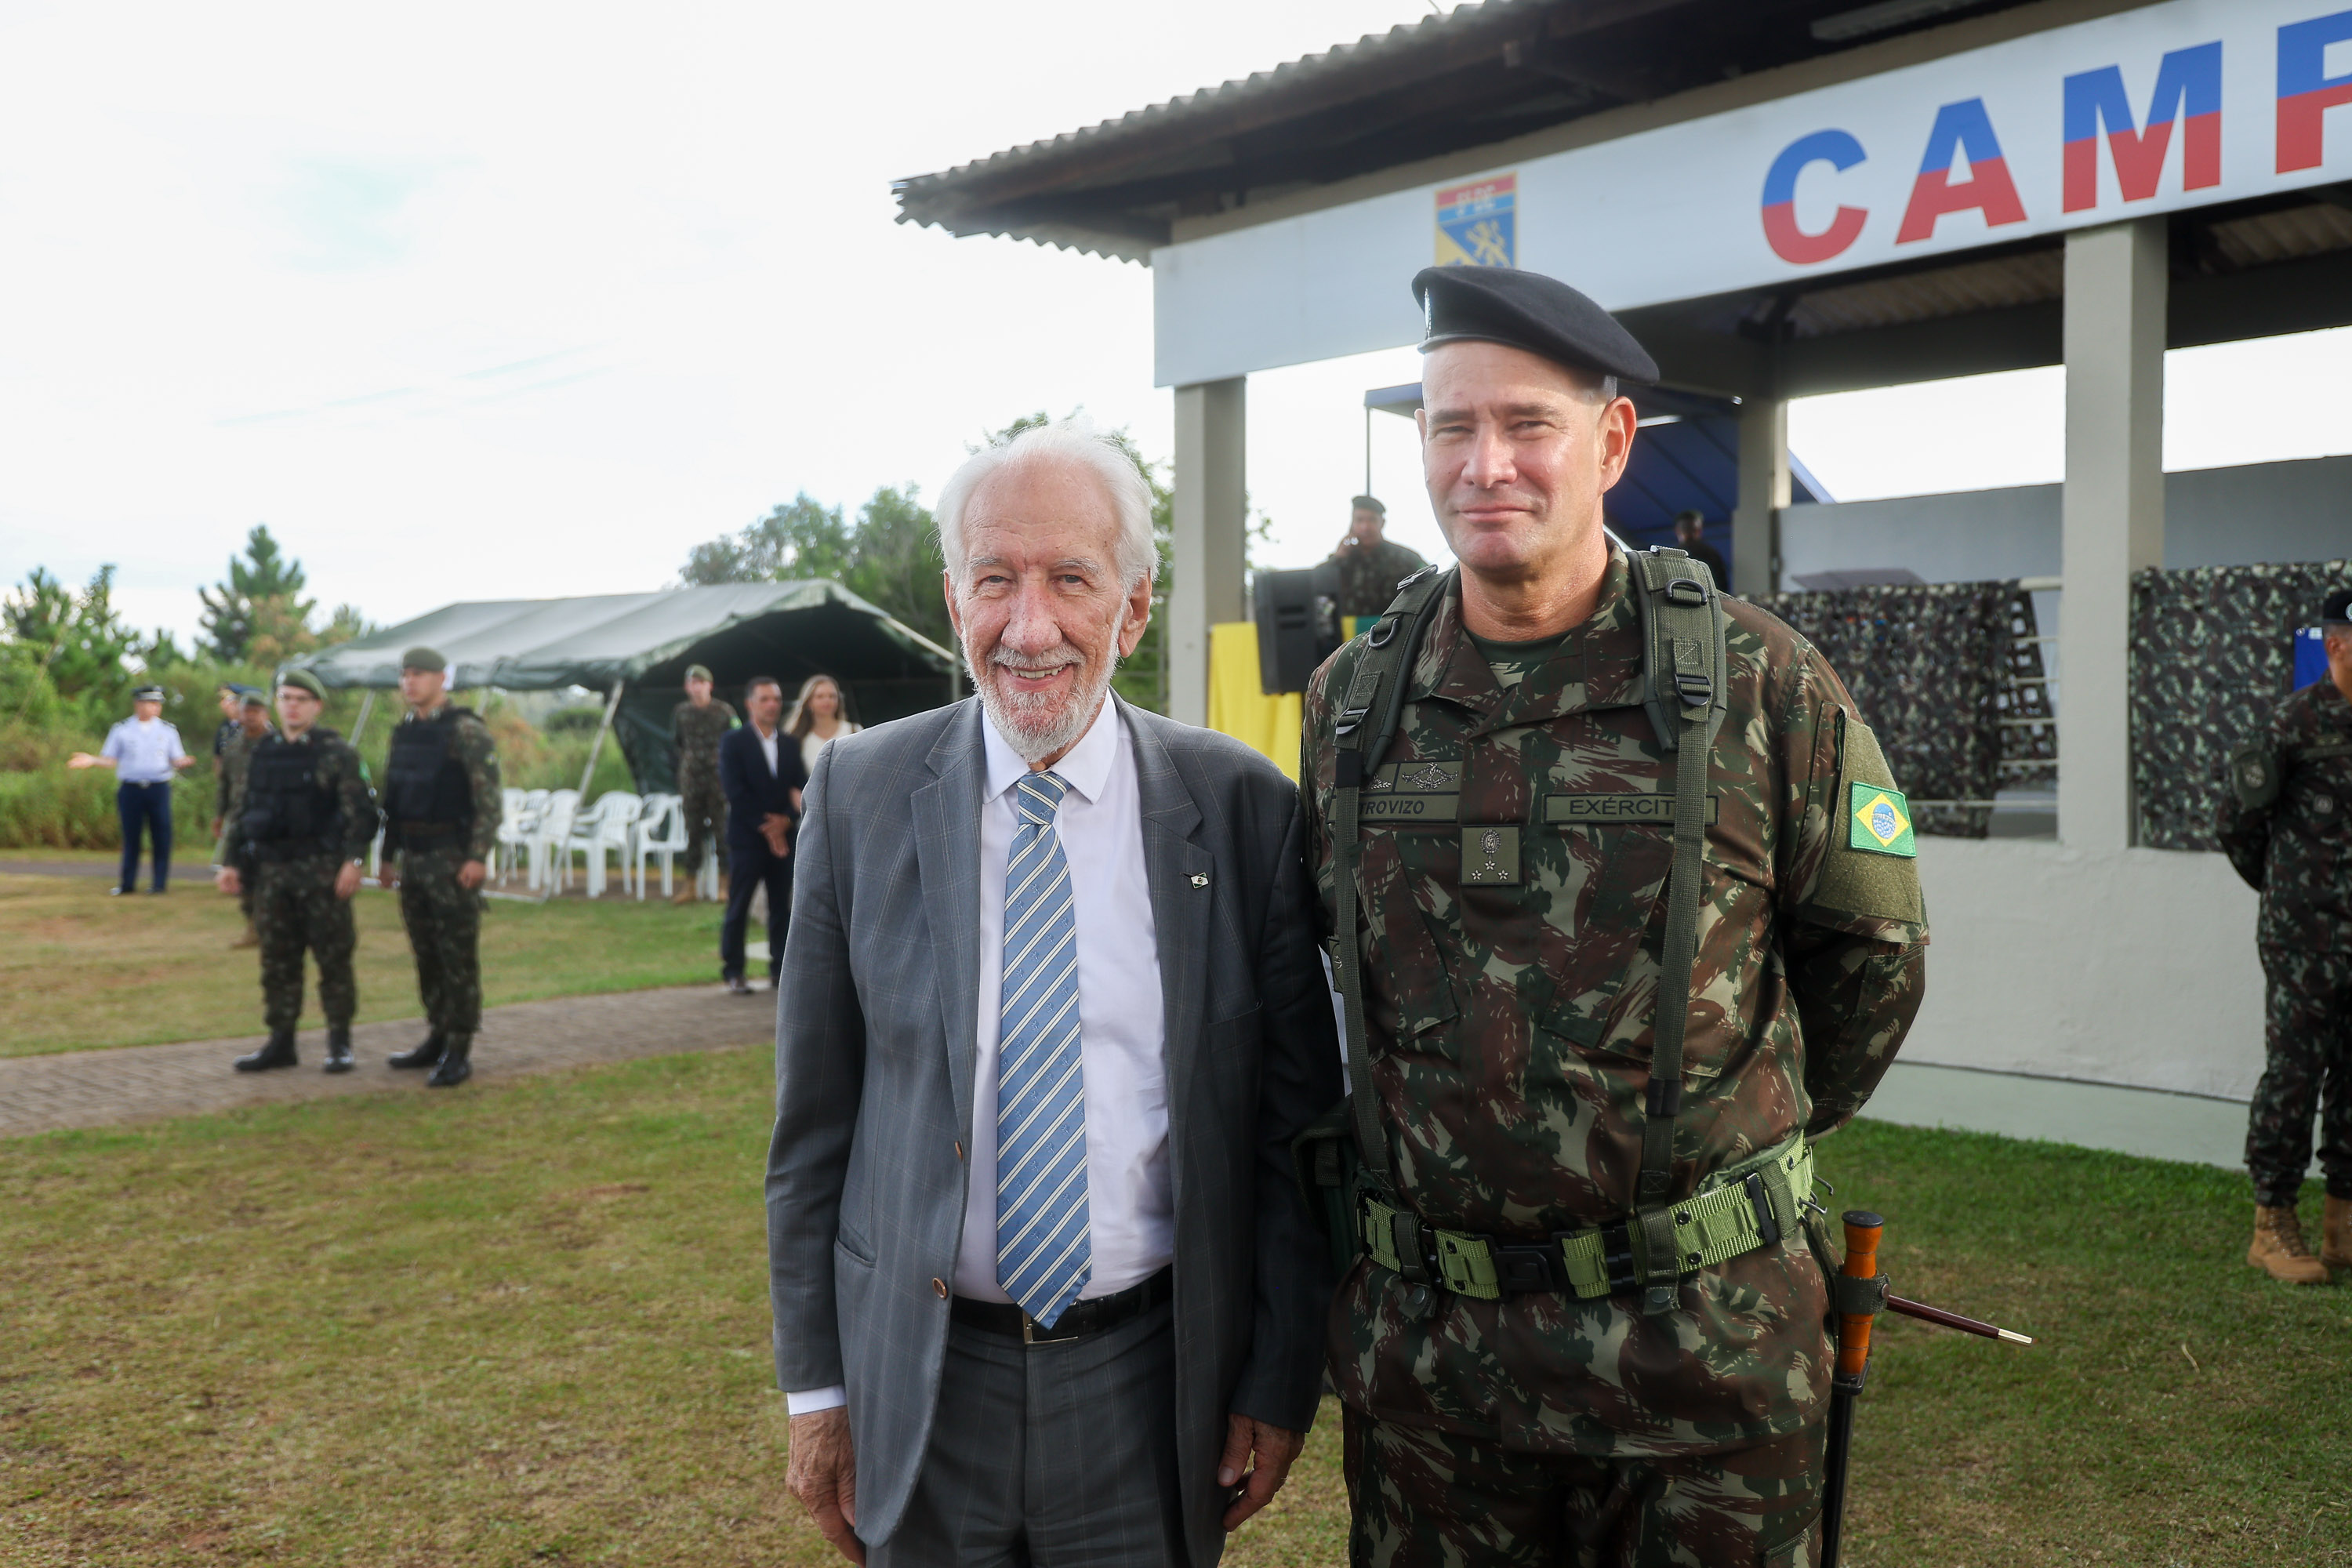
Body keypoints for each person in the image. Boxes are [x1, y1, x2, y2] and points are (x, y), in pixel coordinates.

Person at [1298, 266, 1929, 1565]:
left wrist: (1700, 1152)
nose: (1488, 466)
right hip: (1436, 1390)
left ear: (1611, 440)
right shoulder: (1352, 705)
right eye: (1451, 428)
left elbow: (1873, 963)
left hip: (1702, 1375)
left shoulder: (1760, 685)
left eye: (1527, 424)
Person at [768, 417, 1340, 1567]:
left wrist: (1278, 1381)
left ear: (1133, 606)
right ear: (952, 599)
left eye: (1070, 579)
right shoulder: (859, 799)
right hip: (921, 1390)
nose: (1029, 628)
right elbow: (812, 1130)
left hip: (1151, 1387)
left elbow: (1292, 1137)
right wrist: (818, 1392)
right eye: (996, 580)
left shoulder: (1243, 811)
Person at [2217, 588, 2352, 1285]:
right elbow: (2237, 827)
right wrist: (2290, 901)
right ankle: (2272, 1226)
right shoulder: (2293, 725)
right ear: (2336, 644)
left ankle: (2341, 1227)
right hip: (2305, 942)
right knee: (2295, 1079)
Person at [216, 670, 379, 1074]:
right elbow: (244, 811)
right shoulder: (261, 752)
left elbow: (364, 814)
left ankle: (339, 1043)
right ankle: (281, 1041)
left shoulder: (337, 753)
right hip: (272, 872)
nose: (292, 705)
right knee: (277, 960)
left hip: (322, 871)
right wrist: (232, 862)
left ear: (316, 706)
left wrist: (353, 862)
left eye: (301, 699)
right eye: (286, 697)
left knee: (333, 959)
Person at [377, 647, 503, 1089]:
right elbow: (395, 797)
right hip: (414, 858)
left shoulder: (466, 731)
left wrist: (476, 857)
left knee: (457, 956)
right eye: (405, 675)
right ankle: (436, 1033)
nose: (410, 682)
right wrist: (388, 854)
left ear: (442, 679)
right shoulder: (405, 733)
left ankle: (460, 1047)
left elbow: (489, 801)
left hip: (451, 858)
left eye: (420, 674)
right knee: (426, 953)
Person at [717, 676, 804, 995]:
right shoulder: (733, 742)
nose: (772, 705)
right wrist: (768, 827)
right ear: (750, 704)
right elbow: (734, 791)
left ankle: (780, 969)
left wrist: (787, 821)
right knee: (739, 904)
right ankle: (734, 970)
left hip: (783, 838)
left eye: (777, 699)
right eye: (765, 699)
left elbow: (801, 787)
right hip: (747, 838)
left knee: (781, 905)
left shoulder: (790, 744)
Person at [69, 684, 197, 895]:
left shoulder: (167, 730)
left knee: (161, 835)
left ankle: (159, 884)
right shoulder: (122, 729)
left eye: (158, 704)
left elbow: (176, 758)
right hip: (131, 789)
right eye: (150, 703)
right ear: (138, 704)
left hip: (158, 787)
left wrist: (183, 762)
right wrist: (91, 760)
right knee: (131, 837)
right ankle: (127, 884)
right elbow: (110, 760)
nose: (155, 708)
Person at [212, 690, 276, 949]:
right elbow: (224, 785)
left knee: (272, 877)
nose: (250, 717)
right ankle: (253, 929)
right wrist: (220, 814)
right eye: (246, 711)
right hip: (240, 820)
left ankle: (276, 930)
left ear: (266, 714)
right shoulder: (233, 746)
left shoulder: (279, 745)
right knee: (244, 876)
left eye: (256, 712)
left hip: (272, 821)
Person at [671, 664, 738, 906]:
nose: (696, 687)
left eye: (700, 683)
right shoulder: (681, 712)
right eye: (692, 683)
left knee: (722, 833)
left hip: (718, 780)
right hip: (691, 780)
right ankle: (690, 886)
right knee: (693, 833)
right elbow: (677, 743)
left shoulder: (724, 711)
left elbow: (737, 740)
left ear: (709, 685)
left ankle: (724, 885)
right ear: (686, 687)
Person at [1327, 494, 1429, 621]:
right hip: (1349, 637)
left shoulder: (1405, 558)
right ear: (1352, 525)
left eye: (1372, 520)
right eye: (1359, 520)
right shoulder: (1342, 561)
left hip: (1393, 633)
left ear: (1382, 523)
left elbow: (1431, 587)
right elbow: (1317, 588)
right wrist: (1338, 558)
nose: (1365, 527)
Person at [786, 673, 862, 777]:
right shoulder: (798, 738)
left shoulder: (854, 731)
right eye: (820, 696)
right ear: (809, 702)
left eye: (832, 696)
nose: (827, 701)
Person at [1674, 507, 1729, 588]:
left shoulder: (1672, 555)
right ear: (1699, 530)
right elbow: (1722, 587)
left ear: (1677, 531)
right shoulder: (1711, 554)